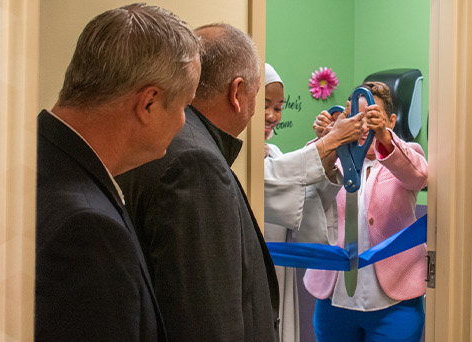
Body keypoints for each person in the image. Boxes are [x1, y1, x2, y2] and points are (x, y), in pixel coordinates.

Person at [34, 4, 199, 341]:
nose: (184, 123)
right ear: (149, 103)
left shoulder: (35, 158)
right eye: (185, 106)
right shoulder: (87, 228)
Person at [115, 23, 278, 341]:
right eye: (258, 95)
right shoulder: (195, 163)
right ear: (237, 93)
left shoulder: (168, 140)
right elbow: (206, 318)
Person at [302, 81, 429, 342]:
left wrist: (383, 137)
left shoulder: (406, 154)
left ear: (390, 120)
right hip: (334, 300)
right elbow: (304, 182)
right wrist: (327, 142)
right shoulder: (334, 157)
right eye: (354, 118)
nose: (361, 127)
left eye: (370, 117)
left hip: (394, 301)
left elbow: (419, 177)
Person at [262, 63, 367, 341]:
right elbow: (272, 184)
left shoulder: (273, 152)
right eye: (265, 105)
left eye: (278, 107)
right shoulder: (239, 155)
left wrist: (331, 155)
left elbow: (302, 200)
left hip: (278, 270)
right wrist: (329, 141)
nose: (272, 115)